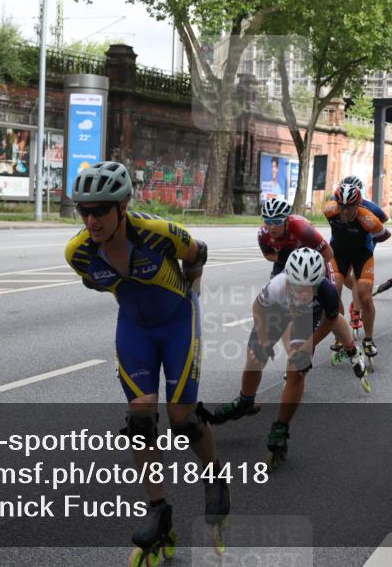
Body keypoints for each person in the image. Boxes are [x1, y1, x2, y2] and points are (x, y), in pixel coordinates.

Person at [64, 161, 229, 562]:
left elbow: (198, 252)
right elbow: (94, 279)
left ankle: (214, 475)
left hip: (177, 323)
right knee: (140, 419)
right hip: (134, 327)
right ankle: (158, 509)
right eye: (83, 210)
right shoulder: (78, 252)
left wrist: (193, 292)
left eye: (101, 209)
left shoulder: (156, 233)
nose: (91, 219)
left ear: (122, 206)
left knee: (182, 418)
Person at [208, 248, 364, 467]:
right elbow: (258, 308)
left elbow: (330, 320)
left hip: (306, 317)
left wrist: (309, 345)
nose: (301, 291)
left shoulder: (327, 291)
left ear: (318, 281)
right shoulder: (278, 284)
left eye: (308, 287)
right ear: (288, 277)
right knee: (255, 356)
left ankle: (281, 426)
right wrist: (262, 338)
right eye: (296, 285)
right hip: (276, 312)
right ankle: (245, 400)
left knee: (298, 370)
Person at [323, 182, 389, 365]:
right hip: (339, 253)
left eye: (349, 207)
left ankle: (368, 339)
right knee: (333, 290)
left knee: (365, 295)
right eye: (341, 206)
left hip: (362, 254)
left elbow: (385, 234)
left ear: (358, 204)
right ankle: (341, 332)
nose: (344, 211)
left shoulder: (368, 218)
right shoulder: (329, 209)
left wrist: (369, 241)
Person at [336, 175, 388, 332]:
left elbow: (383, 220)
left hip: (362, 245)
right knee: (344, 277)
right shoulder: (337, 201)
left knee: (358, 277)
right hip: (343, 243)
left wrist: (369, 231)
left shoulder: (370, 207)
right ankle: (358, 295)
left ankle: (356, 311)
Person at [257, 196, 334, 278]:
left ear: (287, 221)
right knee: (275, 287)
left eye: (277, 221)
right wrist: (280, 257)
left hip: (312, 259)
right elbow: (267, 254)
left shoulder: (302, 229)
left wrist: (306, 267)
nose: (272, 227)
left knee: (328, 290)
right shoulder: (263, 234)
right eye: (268, 221)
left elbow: (328, 254)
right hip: (284, 261)